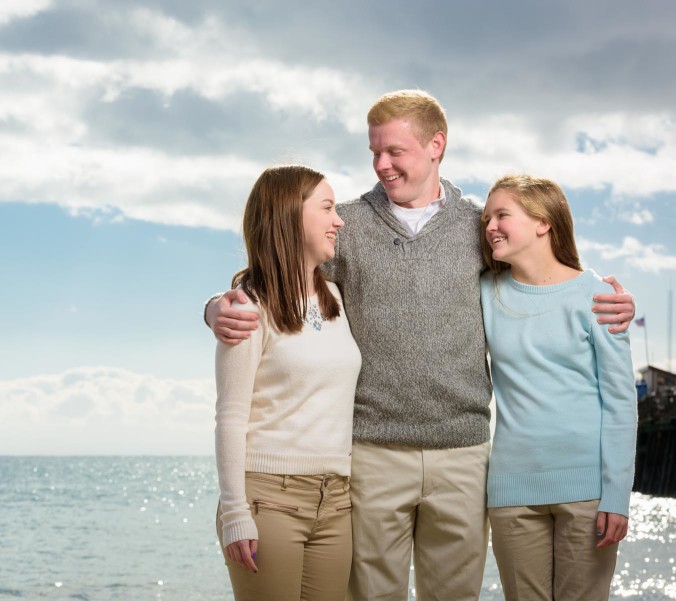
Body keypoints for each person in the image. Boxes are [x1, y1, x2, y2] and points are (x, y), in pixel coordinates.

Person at [206, 90, 636, 600]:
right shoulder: (345, 225)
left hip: (463, 452)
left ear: (437, 145)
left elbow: (541, 275)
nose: (381, 165)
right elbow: (278, 264)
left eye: (395, 152)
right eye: (374, 152)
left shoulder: (478, 228)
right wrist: (216, 306)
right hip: (372, 452)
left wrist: (605, 299)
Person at [480, 174, 637, 600]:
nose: (490, 225)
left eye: (502, 215)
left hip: (588, 494)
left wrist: (617, 496)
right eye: (486, 217)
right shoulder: (484, 294)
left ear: (543, 222)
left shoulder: (597, 296)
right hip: (511, 492)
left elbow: (621, 403)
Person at [214, 165, 362, 601]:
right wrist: (234, 512)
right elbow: (230, 415)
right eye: (328, 208)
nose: (339, 220)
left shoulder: (334, 297)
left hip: (336, 500)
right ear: (288, 216)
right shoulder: (247, 307)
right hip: (269, 501)